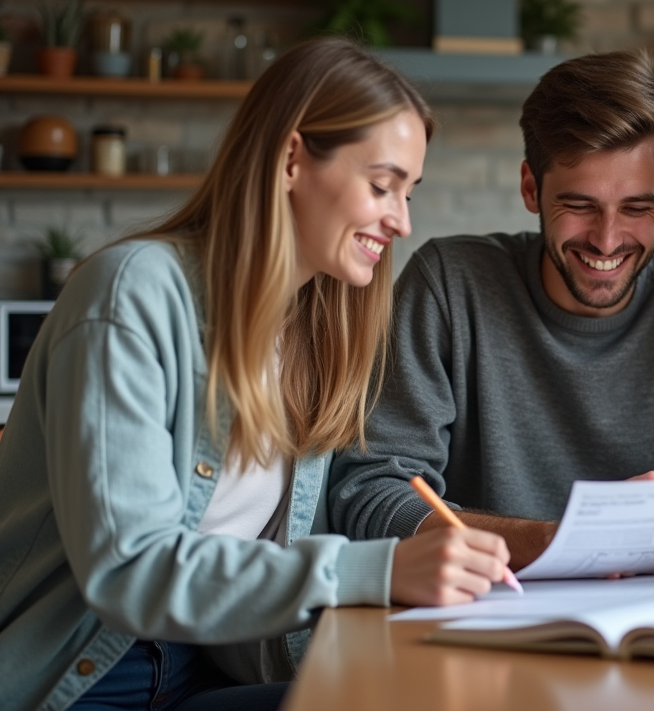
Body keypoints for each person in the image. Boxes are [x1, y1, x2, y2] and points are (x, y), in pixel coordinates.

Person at [0, 38, 512, 711]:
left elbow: (275, 562)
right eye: (383, 186)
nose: (402, 220)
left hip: (209, 669)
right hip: (84, 678)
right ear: (293, 159)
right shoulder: (130, 295)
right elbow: (130, 571)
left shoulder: (318, 330)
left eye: (410, 192)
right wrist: (380, 569)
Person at [330, 49, 654, 568]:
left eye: (636, 208)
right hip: (475, 615)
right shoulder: (449, 284)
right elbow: (372, 492)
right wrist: (568, 541)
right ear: (531, 188)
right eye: (579, 206)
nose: (606, 240)